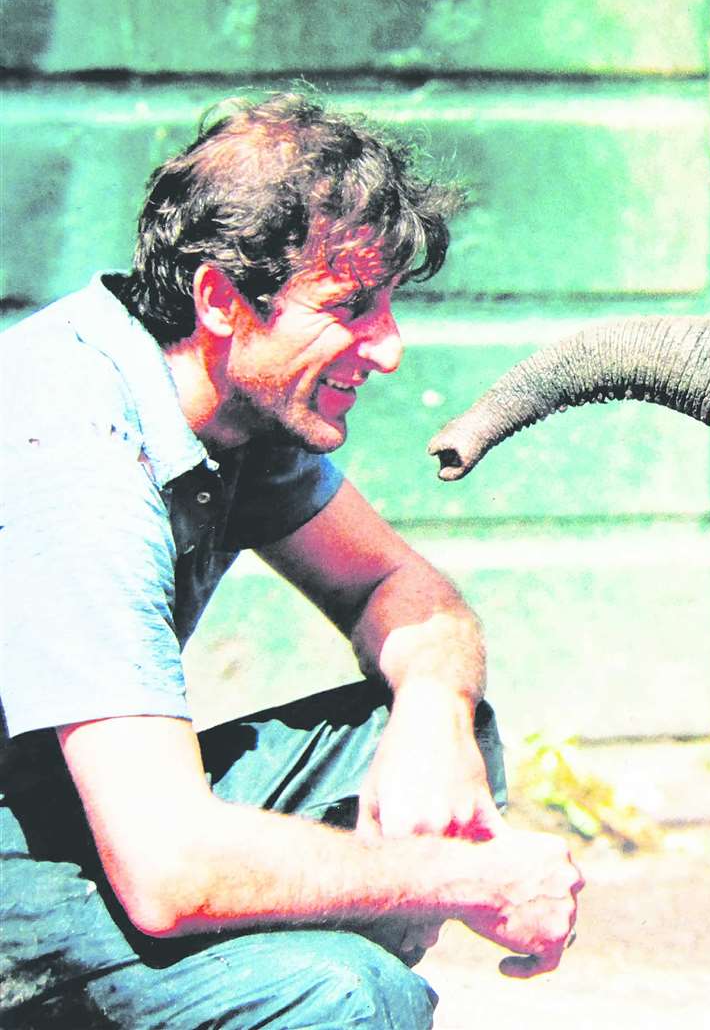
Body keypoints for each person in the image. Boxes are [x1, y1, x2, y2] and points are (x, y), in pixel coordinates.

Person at [0, 92, 584, 1028]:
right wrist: (465, 879)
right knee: (347, 994)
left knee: (439, 740)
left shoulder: (228, 402)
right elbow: (167, 867)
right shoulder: (78, 451)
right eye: (350, 306)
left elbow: (406, 592)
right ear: (221, 300)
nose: (388, 348)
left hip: (59, 820)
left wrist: (432, 716)